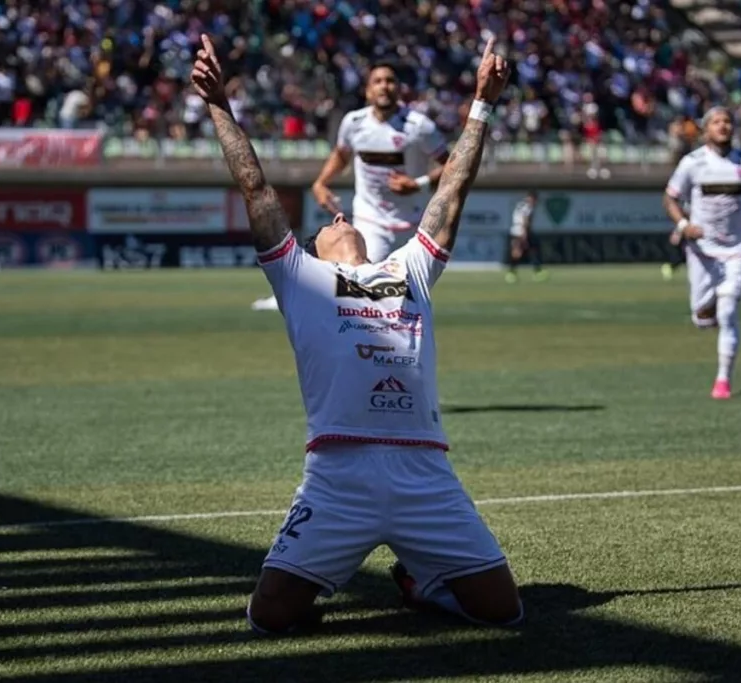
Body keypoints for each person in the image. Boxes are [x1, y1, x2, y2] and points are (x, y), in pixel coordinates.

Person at [191, 33, 522, 632]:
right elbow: (256, 189)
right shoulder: (299, 278)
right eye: (326, 221)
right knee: (270, 619)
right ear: (312, 247)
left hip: (424, 471)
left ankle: (424, 585)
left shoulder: (409, 268)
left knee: (503, 612)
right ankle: (337, 568)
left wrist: (481, 105)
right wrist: (219, 104)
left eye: (342, 215)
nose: (339, 216)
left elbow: (452, 191)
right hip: (338, 475)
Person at [251, 60, 450, 311]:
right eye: (377, 81)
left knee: (402, 296)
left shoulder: (420, 126)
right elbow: (342, 155)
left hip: (412, 222)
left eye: (390, 81)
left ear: (399, 89)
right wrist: (321, 183)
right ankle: (294, 296)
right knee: (358, 282)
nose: (384, 86)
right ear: (368, 90)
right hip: (371, 219)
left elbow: (451, 165)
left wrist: (418, 184)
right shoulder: (354, 123)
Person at [662, 106, 741, 400]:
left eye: (727, 121)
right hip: (702, 251)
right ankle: (708, 308)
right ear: (705, 129)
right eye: (717, 122)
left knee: (727, 312)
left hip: (737, 249)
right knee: (702, 317)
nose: (723, 126)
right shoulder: (693, 163)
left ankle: (723, 380)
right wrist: (684, 224)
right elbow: (670, 198)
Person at [505, 190, 546, 283]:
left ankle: (512, 273)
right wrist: (525, 234)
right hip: (521, 231)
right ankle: (537, 272)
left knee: (519, 252)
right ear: (532, 198)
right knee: (529, 250)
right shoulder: (528, 207)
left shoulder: (520, 204)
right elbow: (525, 220)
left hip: (515, 230)